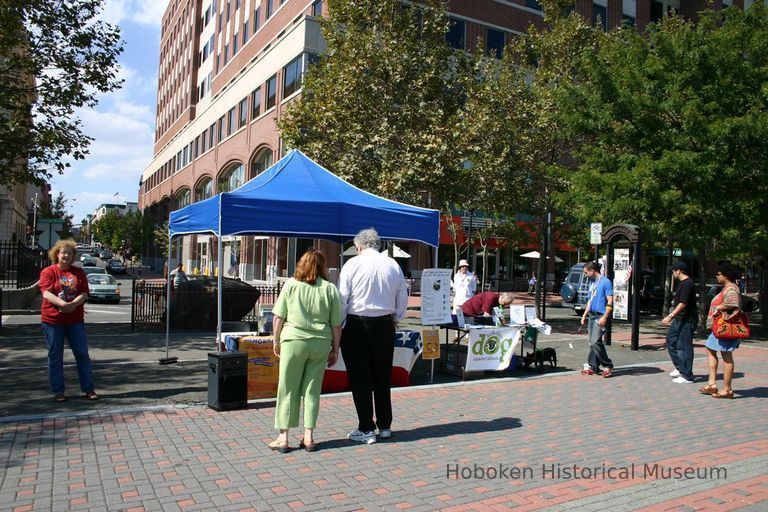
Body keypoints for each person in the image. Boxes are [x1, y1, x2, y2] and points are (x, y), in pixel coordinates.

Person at [269, 249, 342, 452]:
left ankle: (283, 437)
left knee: (288, 388)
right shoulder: (330, 289)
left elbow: (278, 317)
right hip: (320, 343)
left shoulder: (291, 285)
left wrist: (276, 341)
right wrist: (335, 349)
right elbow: (336, 324)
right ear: (322, 267)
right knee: (312, 391)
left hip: (293, 340)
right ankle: (309, 436)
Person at [339, 228, 407, 444]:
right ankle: (385, 424)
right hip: (385, 323)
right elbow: (402, 296)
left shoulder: (352, 264)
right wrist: (395, 317)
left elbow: (342, 298)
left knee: (360, 377)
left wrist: (340, 323)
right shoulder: (392, 265)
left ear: (359, 246)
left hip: (357, 323)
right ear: (377, 245)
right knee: (382, 375)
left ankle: (366, 427)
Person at [39, 239, 99, 402]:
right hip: (53, 320)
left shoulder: (78, 272)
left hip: (75, 320)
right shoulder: (48, 272)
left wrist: (73, 304)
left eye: (69, 253)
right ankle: (58, 391)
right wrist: (63, 304)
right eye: (63, 252)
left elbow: (84, 292)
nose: (66, 255)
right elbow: (46, 293)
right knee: (55, 355)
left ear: (73, 256)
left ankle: (89, 389)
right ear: (57, 254)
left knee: (82, 354)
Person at [700, 263, 743, 399]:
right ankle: (712, 384)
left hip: (726, 328)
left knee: (726, 356)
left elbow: (733, 304)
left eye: (719, 274)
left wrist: (718, 307)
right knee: (710, 349)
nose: (717, 276)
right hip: (718, 328)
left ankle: (727, 389)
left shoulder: (731, 289)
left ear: (726, 275)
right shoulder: (726, 288)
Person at [661, 261, 698, 384]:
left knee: (684, 346)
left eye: (673, 271)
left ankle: (687, 374)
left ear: (679, 271)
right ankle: (680, 367)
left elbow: (683, 303)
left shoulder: (688, 284)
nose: (673, 273)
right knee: (671, 341)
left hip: (687, 319)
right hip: (679, 319)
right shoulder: (682, 284)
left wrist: (670, 316)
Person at [580, 261, 614, 378]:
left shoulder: (605, 282)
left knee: (596, 341)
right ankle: (593, 366)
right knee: (591, 343)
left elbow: (610, 301)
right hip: (592, 315)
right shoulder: (592, 283)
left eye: (586, 272)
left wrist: (605, 316)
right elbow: (590, 300)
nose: (585, 275)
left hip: (600, 315)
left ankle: (607, 365)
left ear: (592, 271)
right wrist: (584, 314)